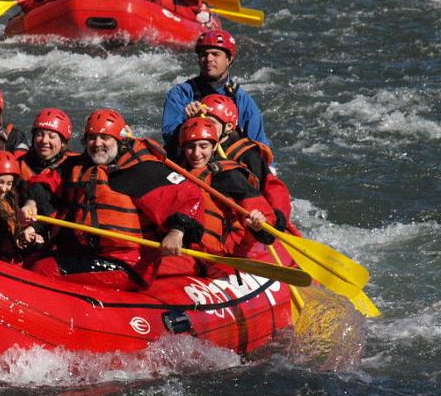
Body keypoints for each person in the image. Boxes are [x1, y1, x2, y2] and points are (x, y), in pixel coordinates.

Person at [25, 109, 204, 291]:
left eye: (105, 138)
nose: (97, 144)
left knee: (44, 269)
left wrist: (177, 232)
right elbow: (46, 182)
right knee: (32, 260)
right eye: (92, 138)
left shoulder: (142, 170)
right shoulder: (80, 165)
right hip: (91, 254)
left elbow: (188, 196)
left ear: (119, 140)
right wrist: (30, 204)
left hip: (129, 264)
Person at [177, 116, 277, 258]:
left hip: (222, 255)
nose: (196, 153)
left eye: (203, 146)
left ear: (215, 146)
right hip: (188, 249)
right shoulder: (177, 170)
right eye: (190, 147)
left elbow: (268, 236)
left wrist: (260, 225)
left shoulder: (229, 175)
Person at [161, 30, 270, 153]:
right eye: (204, 54)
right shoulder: (181, 93)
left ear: (229, 59)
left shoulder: (241, 99)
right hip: (190, 160)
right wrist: (190, 122)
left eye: (215, 54)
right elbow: (169, 137)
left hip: (227, 164)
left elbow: (259, 145)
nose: (209, 59)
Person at [199, 94, 291, 223]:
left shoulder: (248, 154)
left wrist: (276, 219)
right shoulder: (194, 147)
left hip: (241, 218)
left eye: (211, 123)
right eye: (201, 120)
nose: (205, 127)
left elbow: (272, 188)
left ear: (229, 127)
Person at [17, 107, 76, 178]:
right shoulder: (18, 165)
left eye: (51, 136)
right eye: (40, 135)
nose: (44, 141)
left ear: (63, 142)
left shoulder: (74, 167)